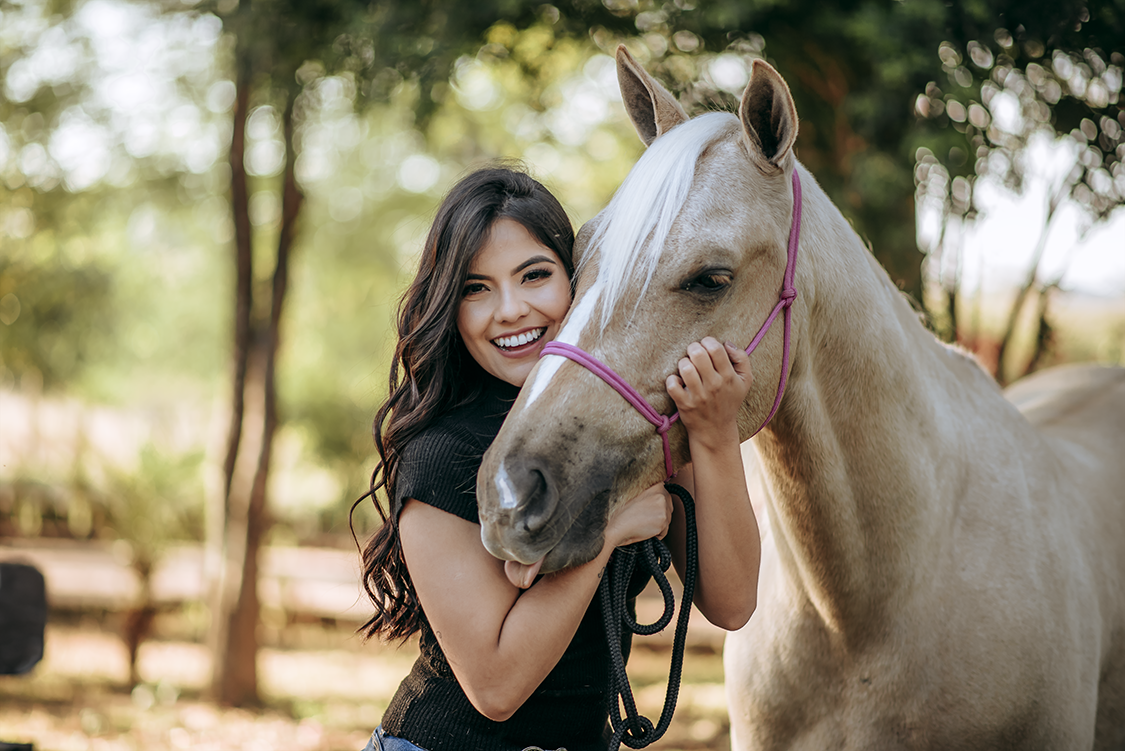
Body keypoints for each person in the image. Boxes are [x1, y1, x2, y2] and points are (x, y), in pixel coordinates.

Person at [354, 165, 761, 751]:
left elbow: (732, 601)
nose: (511, 309)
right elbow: (495, 688)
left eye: (535, 275)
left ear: (578, 280)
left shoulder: (631, 423)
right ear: (450, 306)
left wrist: (715, 435)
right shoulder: (442, 452)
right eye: (476, 288)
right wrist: (606, 530)